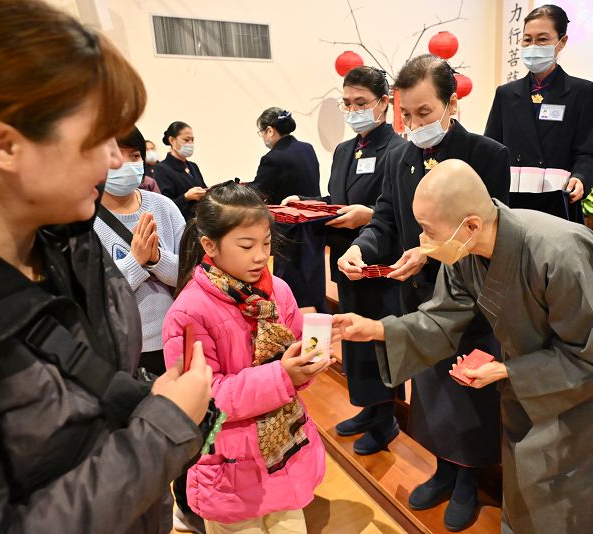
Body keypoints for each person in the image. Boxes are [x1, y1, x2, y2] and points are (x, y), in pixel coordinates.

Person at [0, 1, 212, 532]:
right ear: (4, 146)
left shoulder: (70, 242)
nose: (114, 160)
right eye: (97, 137)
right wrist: (161, 430)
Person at [337, 159, 593, 534]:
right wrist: (376, 329)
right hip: (538, 367)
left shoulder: (561, 252)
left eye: (427, 230)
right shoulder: (464, 253)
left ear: (471, 225)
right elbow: (442, 317)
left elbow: (591, 355)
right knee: (531, 470)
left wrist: (509, 370)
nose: (423, 242)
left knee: (582, 485)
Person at [337, 54, 510, 531]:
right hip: (417, 296)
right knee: (431, 387)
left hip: (473, 300)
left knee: (468, 386)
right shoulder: (399, 156)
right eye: (406, 115)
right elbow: (386, 216)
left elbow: (491, 233)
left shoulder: (488, 154)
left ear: (451, 104)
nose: (414, 125)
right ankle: (442, 468)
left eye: (425, 113)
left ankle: (469, 477)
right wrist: (360, 247)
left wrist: (429, 251)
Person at [164, 182, 334, 533]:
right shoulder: (189, 312)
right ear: (210, 246)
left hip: (286, 455)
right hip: (229, 467)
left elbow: (294, 364)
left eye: (266, 243)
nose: (260, 256)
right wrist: (283, 376)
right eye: (246, 246)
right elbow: (202, 399)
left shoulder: (278, 292)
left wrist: (309, 361)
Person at [284, 66, 406, 455]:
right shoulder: (344, 150)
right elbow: (337, 200)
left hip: (380, 263)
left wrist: (368, 216)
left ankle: (386, 419)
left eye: (361, 103)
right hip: (344, 258)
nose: (353, 111)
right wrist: (307, 203)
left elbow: (400, 212)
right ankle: (369, 408)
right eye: (347, 103)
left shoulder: (398, 150)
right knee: (353, 339)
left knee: (379, 339)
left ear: (384, 103)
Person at [484, 4, 593, 222]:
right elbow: (491, 148)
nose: (533, 46)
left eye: (542, 39)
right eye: (527, 39)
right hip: (512, 201)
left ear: (562, 42)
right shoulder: (505, 94)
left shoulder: (582, 92)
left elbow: (585, 152)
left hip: (557, 200)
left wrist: (581, 178)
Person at [94, 125, 185, 377]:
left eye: (134, 156)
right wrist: (135, 261)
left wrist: (157, 259)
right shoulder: (84, 216)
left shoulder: (164, 207)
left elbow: (191, 274)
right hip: (118, 345)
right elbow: (95, 294)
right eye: (115, 156)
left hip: (172, 339)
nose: (126, 164)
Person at [249, 108, 320, 205]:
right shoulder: (308, 148)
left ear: (270, 131)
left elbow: (256, 193)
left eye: (261, 132)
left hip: (289, 212)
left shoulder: (272, 158)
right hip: (316, 210)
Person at [154, 121, 208, 220]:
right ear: (172, 140)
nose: (190, 143)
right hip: (180, 222)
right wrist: (186, 197)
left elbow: (203, 188)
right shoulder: (161, 169)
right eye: (186, 140)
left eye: (192, 140)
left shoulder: (193, 166)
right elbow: (163, 205)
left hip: (199, 220)